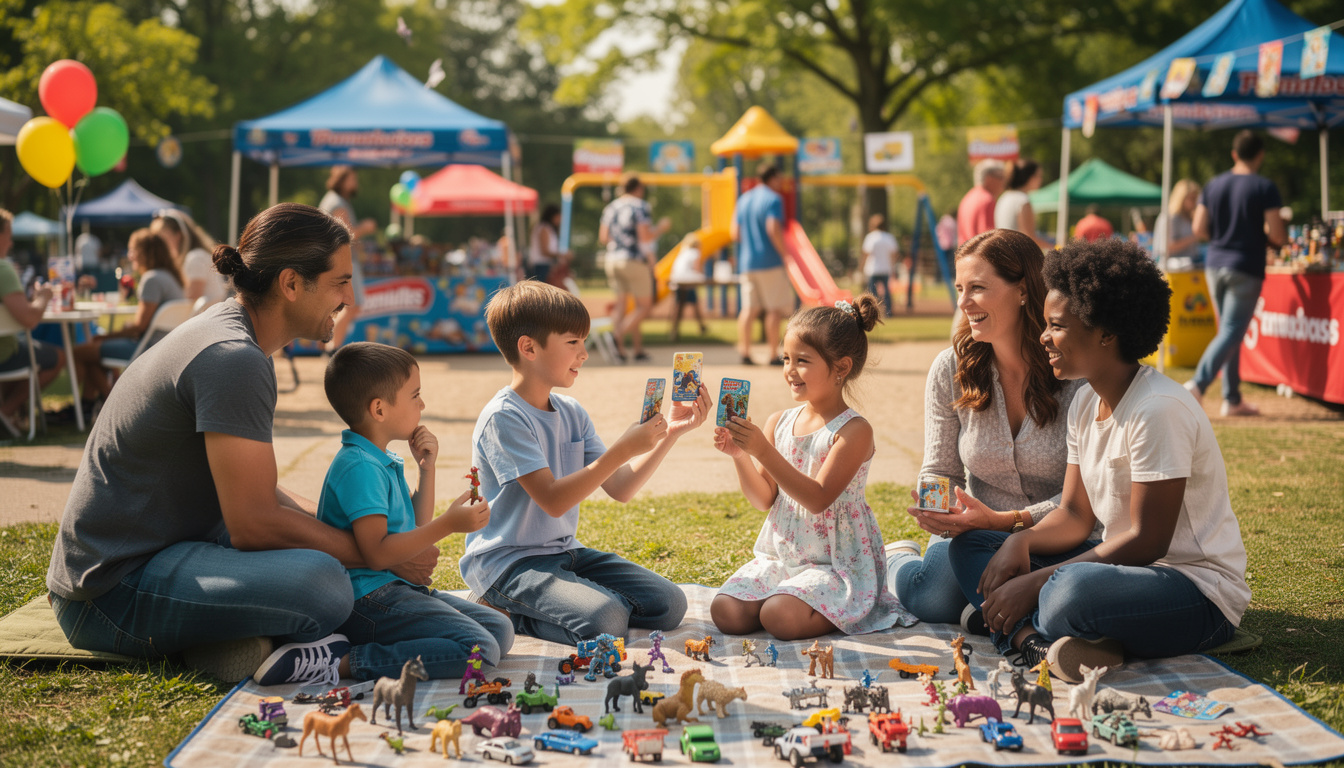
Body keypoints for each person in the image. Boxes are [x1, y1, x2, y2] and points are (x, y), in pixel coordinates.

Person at [46, 203, 401, 687]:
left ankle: (229, 642)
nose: (349, 296)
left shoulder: (234, 337)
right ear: (292, 284)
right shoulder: (234, 358)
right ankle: (247, 634)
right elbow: (253, 523)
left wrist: (356, 537)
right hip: (109, 593)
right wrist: (380, 554)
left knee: (322, 561)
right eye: (340, 281)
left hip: (168, 552)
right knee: (323, 585)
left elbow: (257, 491)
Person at [947, 238, 1250, 683]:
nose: (1044, 336)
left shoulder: (1159, 409)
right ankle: (1035, 643)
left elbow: (1148, 542)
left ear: (1106, 334)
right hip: (1120, 569)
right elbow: (1073, 514)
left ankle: (1012, 625)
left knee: (1066, 594)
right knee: (973, 546)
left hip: (1192, 588)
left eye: (1057, 326)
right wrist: (1021, 541)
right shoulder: (1087, 401)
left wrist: (1034, 581)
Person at [462, 280, 710, 644]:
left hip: (565, 551)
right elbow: (553, 499)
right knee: (607, 620)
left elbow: (621, 488)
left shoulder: (572, 412)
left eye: (583, 341)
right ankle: (503, 609)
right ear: (528, 348)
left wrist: (670, 431)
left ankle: (571, 603)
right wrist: (623, 449)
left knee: (669, 605)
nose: (584, 353)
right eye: (573, 342)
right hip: (508, 564)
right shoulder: (504, 417)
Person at [885, 229, 1086, 629]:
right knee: (931, 599)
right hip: (974, 535)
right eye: (960, 288)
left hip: (1061, 536)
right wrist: (938, 510)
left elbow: (1082, 501)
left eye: (977, 287)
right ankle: (895, 558)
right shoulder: (950, 368)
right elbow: (939, 468)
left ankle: (981, 608)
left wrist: (1007, 521)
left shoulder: (1075, 374)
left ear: (1024, 290)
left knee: (1057, 594)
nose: (963, 303)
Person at [711, 295, 914, 640]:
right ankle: (789, 596)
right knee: (725, 611)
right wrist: (742, 456)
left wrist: (763, 449)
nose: (790, 370)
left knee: (779, 616)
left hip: (835, 564)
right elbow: (764, 499)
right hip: (784, 557)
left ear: (842, 368)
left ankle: (864, 592)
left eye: (802, 360)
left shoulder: (854, 430)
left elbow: (818, 498)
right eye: (785, 358)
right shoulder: (779, 421)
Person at [314, 342, 513, 680]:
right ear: (379, 409)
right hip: (367, 599)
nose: (423, 404)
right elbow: (377, 555)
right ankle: (338, 660)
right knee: (478, 648)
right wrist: (449, 524)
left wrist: (426, 469)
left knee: (500, 629)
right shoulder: (359, 467)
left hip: (396, 589)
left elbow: (413, 531)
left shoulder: (379, 459)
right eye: (415, 395)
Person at [1188, 131, 1286, 417]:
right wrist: (1264, 238)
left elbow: (1198, 229)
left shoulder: (1213, 184)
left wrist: (1221, 239)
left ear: (1234, 154)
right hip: (1245, 265)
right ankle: (1197, 385)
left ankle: (1231, 398)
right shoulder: (1265, 187)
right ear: (1260, 155)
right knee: (1232, 331)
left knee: (1228, 332)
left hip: (1215, 263)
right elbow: (1278, 234)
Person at [69, 229, 185, 414]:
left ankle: (112, 407)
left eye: (133, 250)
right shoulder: (170, 277)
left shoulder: (152, 279)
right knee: (93, 356)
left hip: (147, 348)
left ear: (145, 253)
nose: (130, 256)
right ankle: (87, 405)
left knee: (79, 352)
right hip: (164, 346)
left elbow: (138, 327)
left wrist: (105, 336)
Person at [0, 209, 65, 434]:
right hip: (4, 354)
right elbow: (29, 320)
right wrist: (44, 297)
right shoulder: (3, 268)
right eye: (9, 234)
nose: (11, 241)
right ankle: (6, 414)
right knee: (58, 357)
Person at [599, 175, 670, 362]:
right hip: (633, 261)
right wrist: (661, 228)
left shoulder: (611, 207)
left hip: (612, 259)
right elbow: (645, 237)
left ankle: (626, 351)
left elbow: (604, 237)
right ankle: (616, 337)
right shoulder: (640, 206)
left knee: (623, 305)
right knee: (644, 307)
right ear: (638, 188)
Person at [733, 163, 795, 365]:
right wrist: (784, 253)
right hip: (769, 261)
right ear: (773, 178)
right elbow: (772, 228)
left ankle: (745, 352)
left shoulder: (744, 199)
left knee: (749, 310)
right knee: (774, 309)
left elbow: (735, 232)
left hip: (747, 262)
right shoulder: (773, 199)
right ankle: (771, 354)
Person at [320, 166, 378, 351]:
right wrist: (366, 227)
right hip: (344, 263)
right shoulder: (337, 203)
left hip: (337, 260)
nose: (355, 184)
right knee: (352, 305)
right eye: (352, 179)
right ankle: (332, 348)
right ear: (342, 180)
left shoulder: (334, 200)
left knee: (342, 305)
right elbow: (347, 232)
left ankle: (329, 345)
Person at [151, 209, 227, 306]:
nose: (160, 245)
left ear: (178, 235)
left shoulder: (195, 258)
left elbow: (192, 299)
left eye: (163, 238)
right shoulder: (196, 256)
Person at [995, 159, 1049, 249]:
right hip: (1018, 256)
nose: (1041, 179)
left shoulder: (1004, 197)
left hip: (1004, 252)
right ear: (1031, 178)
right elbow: (1030, 238)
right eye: (1039, 176)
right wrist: (1055, 247)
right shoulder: (1023, 201)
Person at [1154, 179, 1204, 270]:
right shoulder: (1170, 217)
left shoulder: (1190, 217)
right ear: (1181, 198)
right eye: (1192, 198)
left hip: (1191, 266)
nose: (1195, 202)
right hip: (1173, 269)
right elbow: (1167, 247)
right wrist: (1194, 237)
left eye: (1196, 198)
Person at [668, 232, 709, 342]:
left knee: (680, 304)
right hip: (688, 280)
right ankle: (700, 326)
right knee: (690, 303)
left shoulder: (683, 252)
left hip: (678, 280)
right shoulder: (695, 253)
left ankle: (674, 330)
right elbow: (697, 269)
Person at [957, 160, 1005, 247]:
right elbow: (990, 238)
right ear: (989, 178)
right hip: (980, 256)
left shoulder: (967, 198)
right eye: (1001, 177)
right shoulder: (987, 200)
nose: (1004, 183)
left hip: (965, 256)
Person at [861, 214, 899, 317]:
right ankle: (889, 312)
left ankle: (872, 313)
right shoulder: (889, 237)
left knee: (872, 294)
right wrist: (893, 267)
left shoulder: (870, 237)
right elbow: (894, 254)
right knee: (887, 292)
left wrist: (861, 267)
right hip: (885, 268)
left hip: (872, 269)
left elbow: (865, 254)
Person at [528, 204, 566, 285]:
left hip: (543, 264)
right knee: (540, 291)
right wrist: (561, 255)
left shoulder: (546, 228)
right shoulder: (544, 228)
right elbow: (544, 251)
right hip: (541, 264)